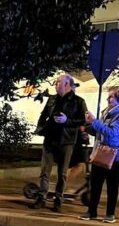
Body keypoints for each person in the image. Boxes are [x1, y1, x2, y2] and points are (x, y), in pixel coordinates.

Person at [31, 74, 87, 212]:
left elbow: (83, 120)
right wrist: (41, 128)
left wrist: (67, 121)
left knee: (62, 173)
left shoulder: (78, 101)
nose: (55, 84)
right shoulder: (52, 99)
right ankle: (41, 198)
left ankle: (58, 200)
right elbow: (43, 115)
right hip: (50, 139)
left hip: (66, 141)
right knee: (45, 171)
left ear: (67, 84)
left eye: (58, 82)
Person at [79, 87, 119, 223]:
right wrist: (89, 129)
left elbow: (113, 134)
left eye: (111, 97)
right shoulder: (106, 112)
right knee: (95, 184)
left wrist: (94, 121)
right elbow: (101, 132)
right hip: (100, 153)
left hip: (115, 156)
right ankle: (91, 212)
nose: (107, 99)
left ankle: (110, 214)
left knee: (112, 186)